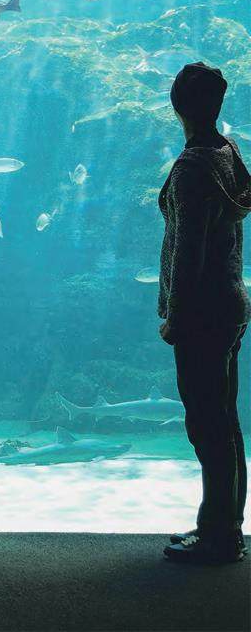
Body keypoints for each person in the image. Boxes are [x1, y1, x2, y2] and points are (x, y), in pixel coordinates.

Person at [158, 62, 250, 564]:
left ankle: (217, 537)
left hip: (202, 311)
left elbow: (187, 248)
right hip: (231, 300)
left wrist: (176, 315)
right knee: (225, 420)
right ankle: (227, 527)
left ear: (178, 106)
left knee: (206, 424)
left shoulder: (193, 167)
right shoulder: (228, 152)